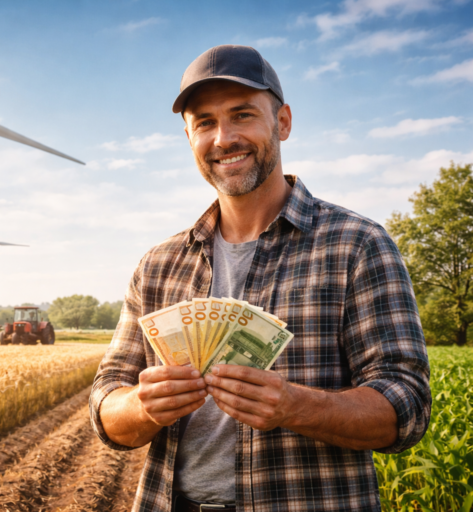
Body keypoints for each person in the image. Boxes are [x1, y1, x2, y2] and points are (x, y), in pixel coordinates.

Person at [89, 45, 431, 512]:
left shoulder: (358, 245)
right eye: (204, 122)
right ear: (189, 138)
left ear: (283, 122)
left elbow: (407, 406)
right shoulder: (158, 264)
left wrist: (296, 406)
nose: (223, 138)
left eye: (242, 115)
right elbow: (106, 403)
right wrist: (142, 406)